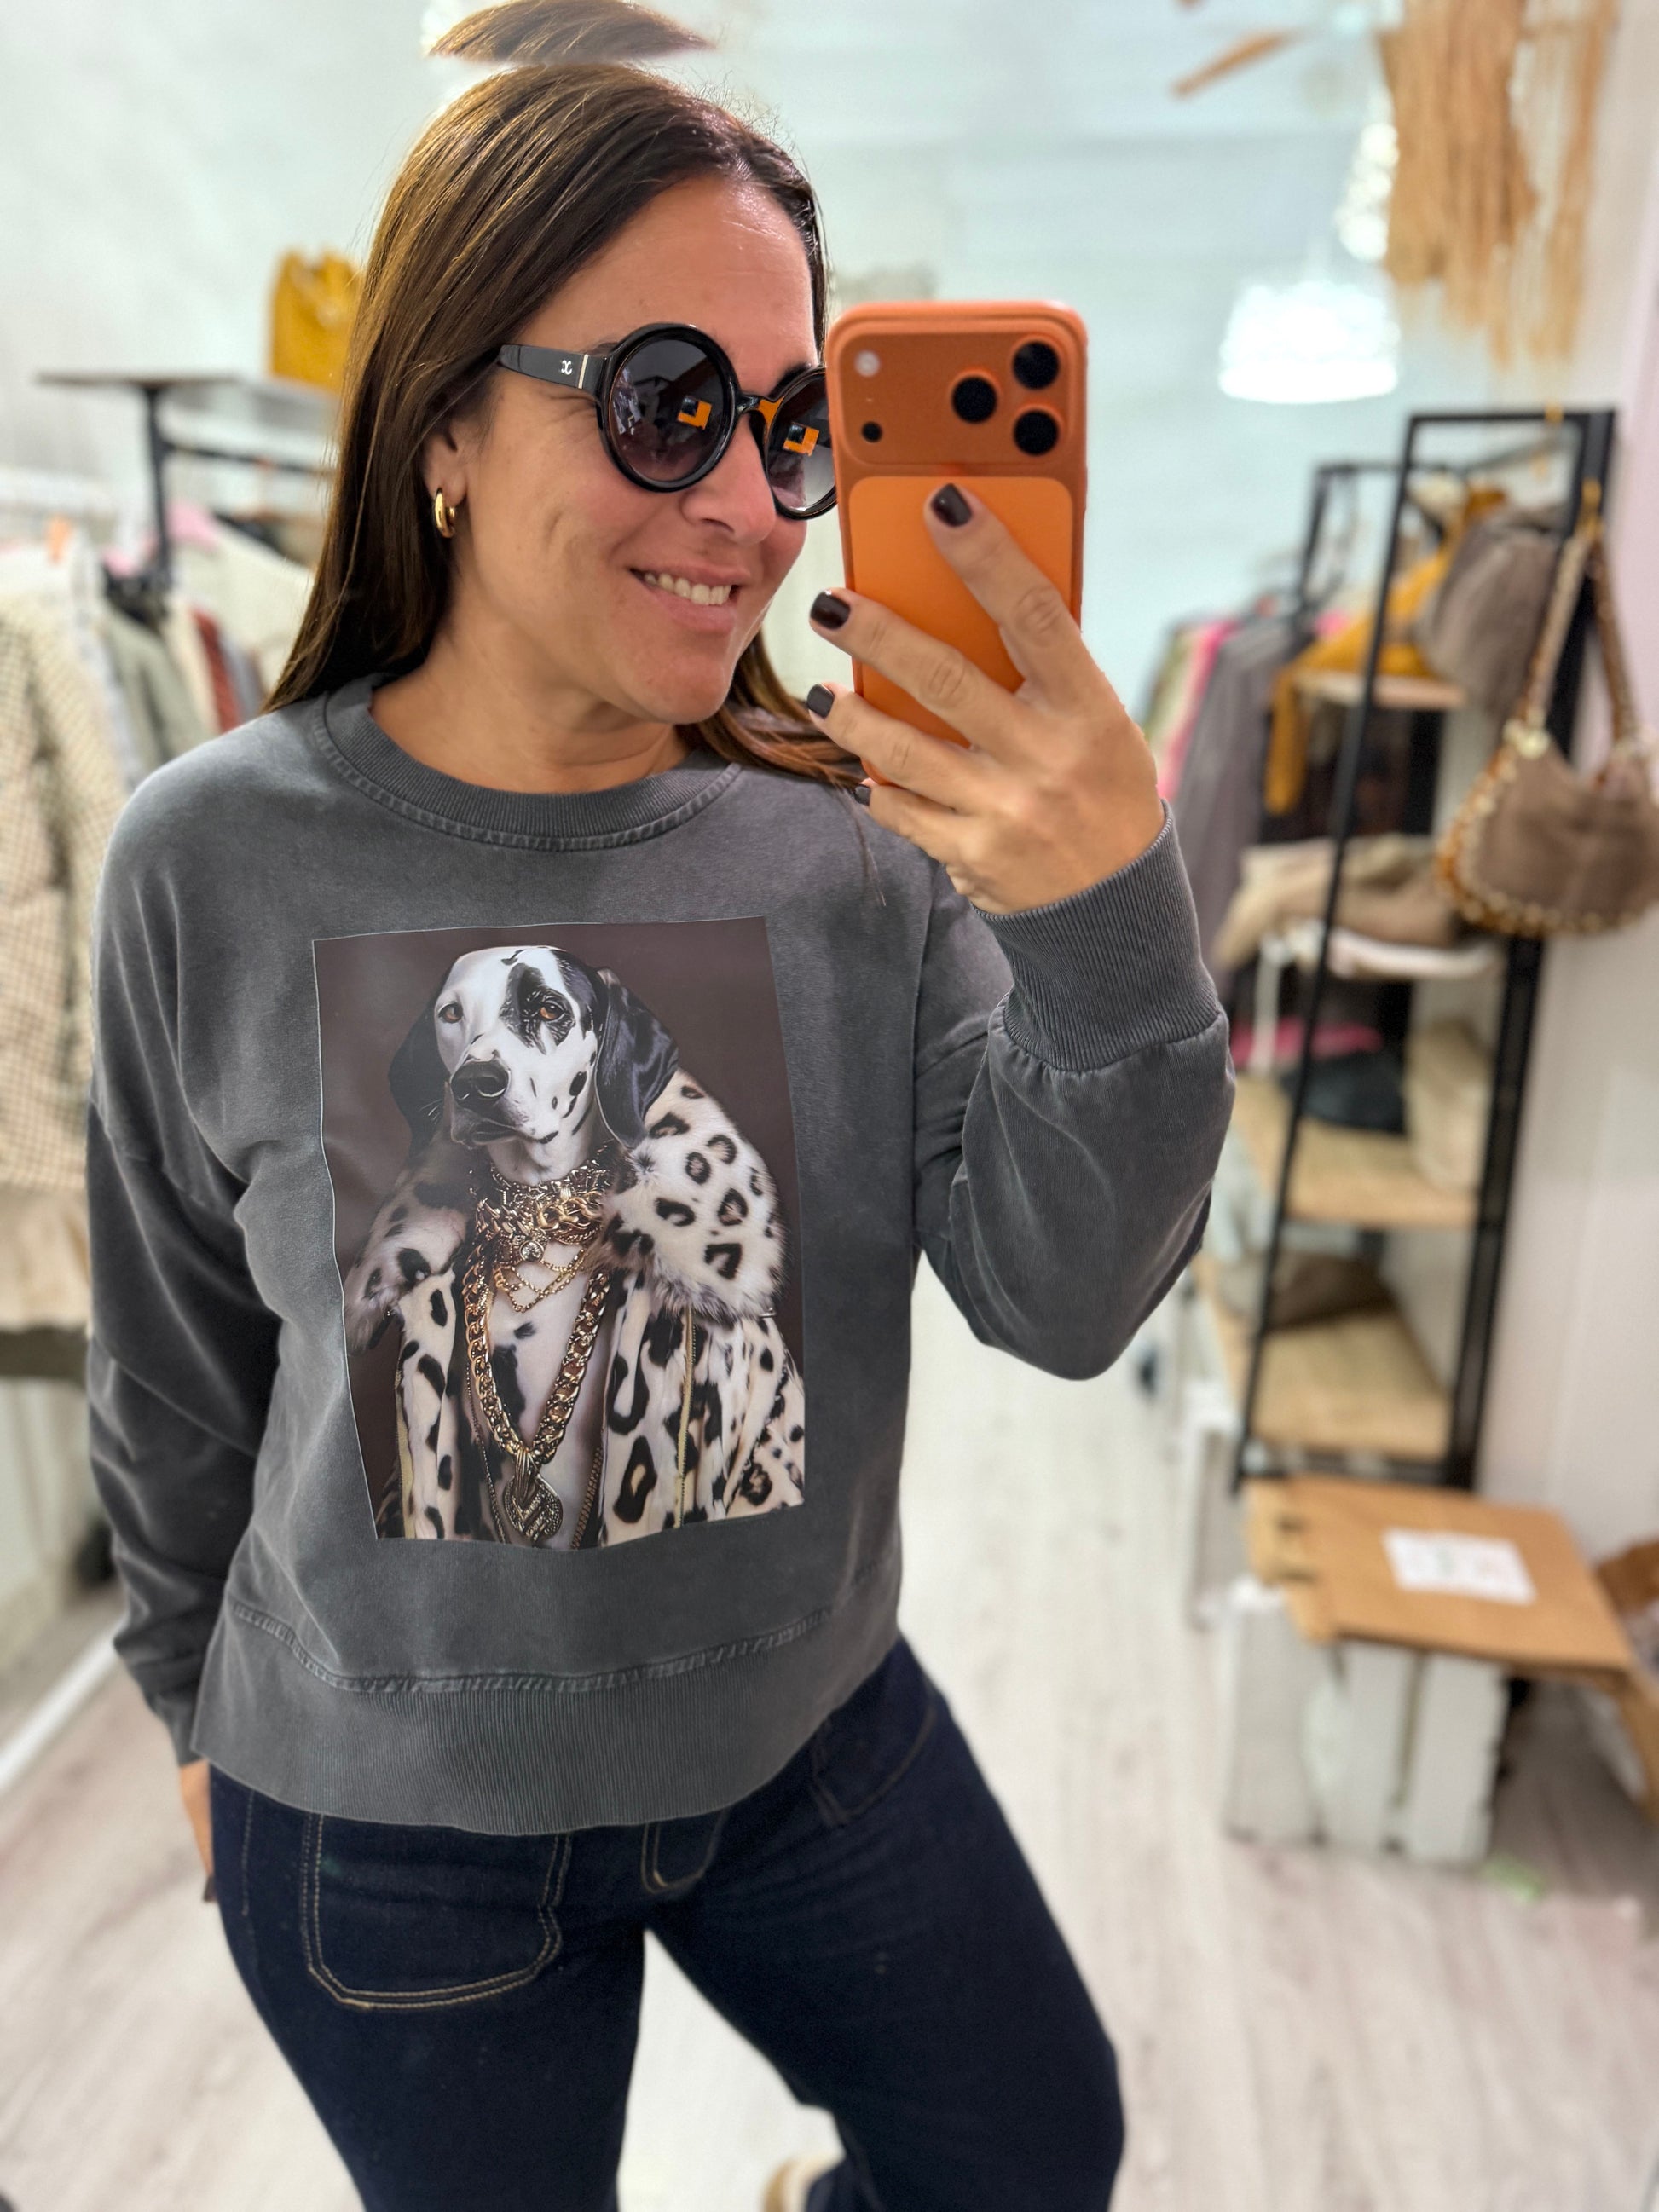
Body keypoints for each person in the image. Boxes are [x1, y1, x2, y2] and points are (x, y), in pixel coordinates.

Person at [86, 7, 1231, 2208]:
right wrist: (184, 1708)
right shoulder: (208, 856)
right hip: (390, 1818)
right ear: (440, 418)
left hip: (808, 1738)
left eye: (793, 427)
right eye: (664, 403)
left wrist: (1109, 912)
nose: (748, 505)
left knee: (1029, 2148)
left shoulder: (859, 840)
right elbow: (170, 1356)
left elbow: (1069, 1298)